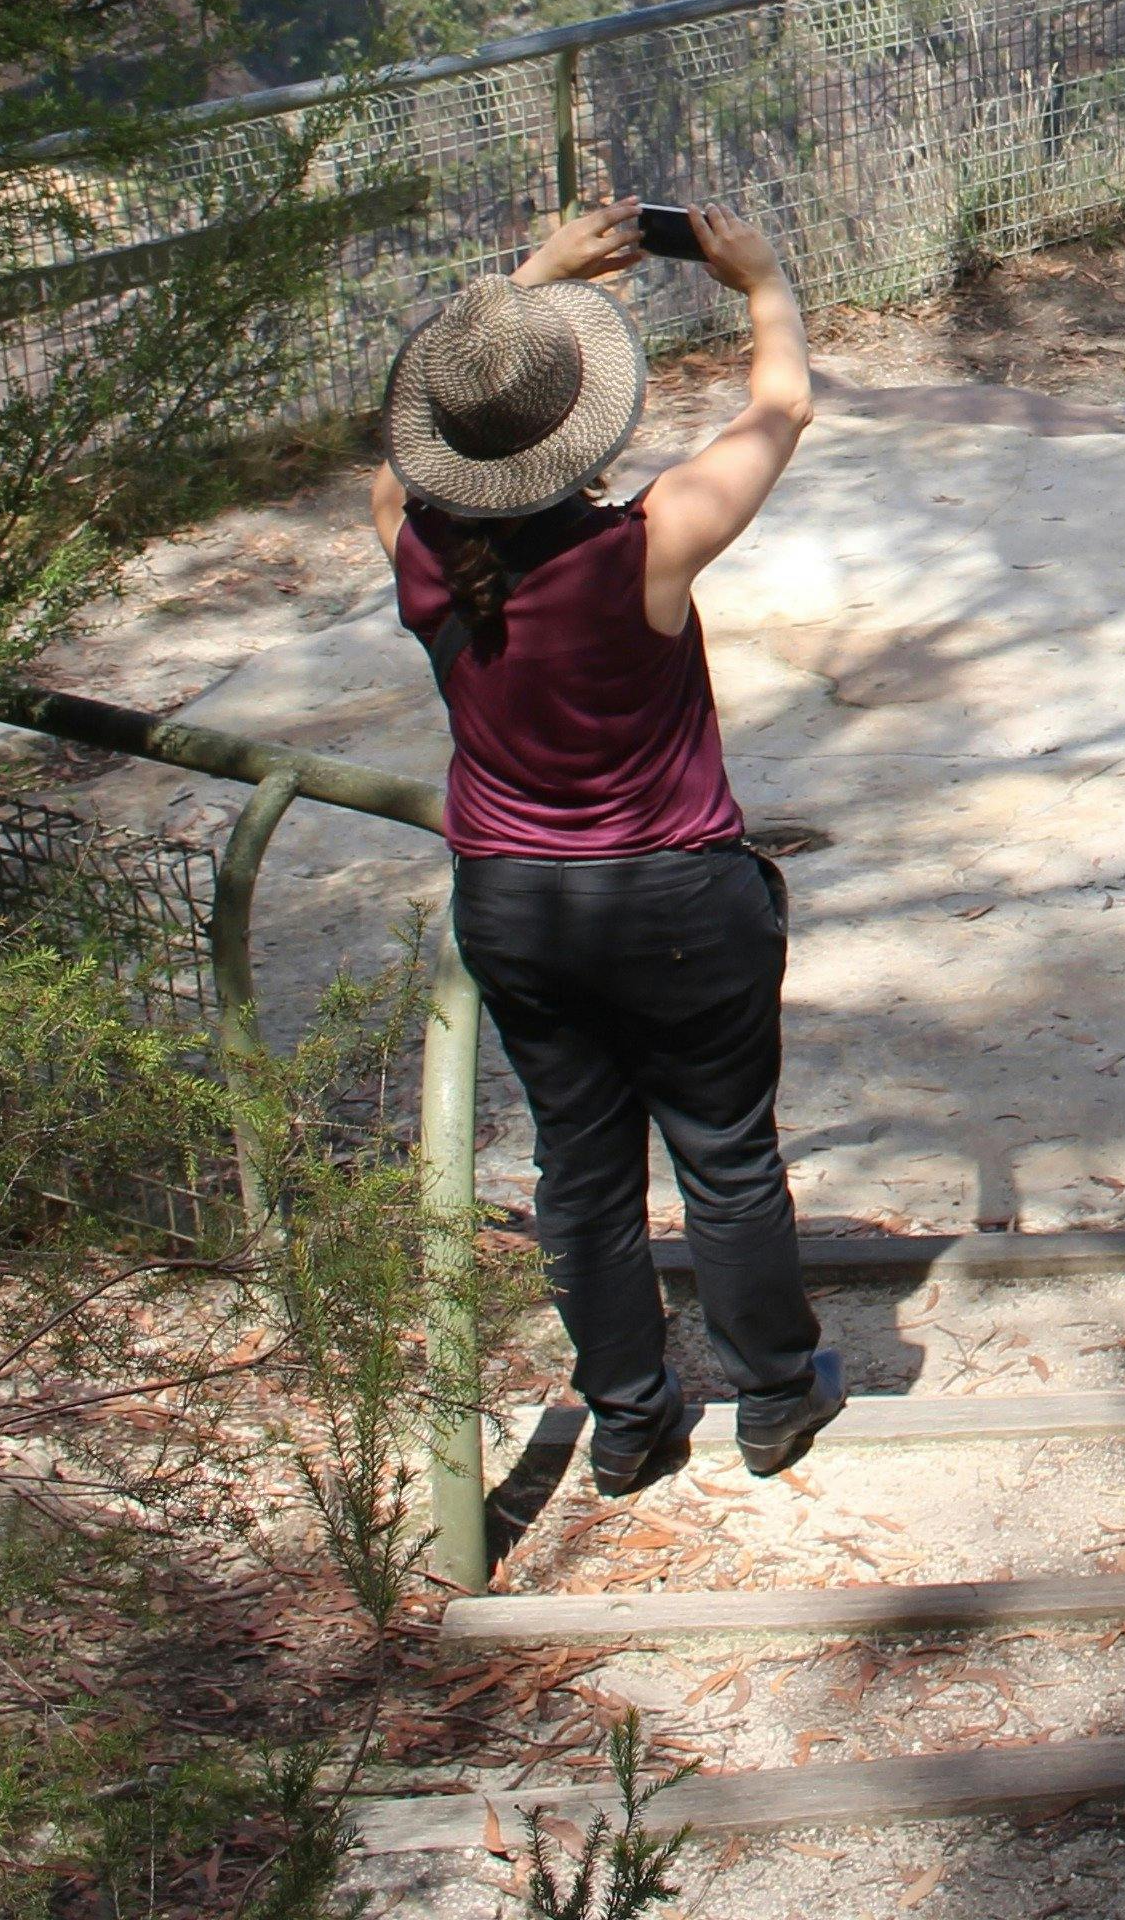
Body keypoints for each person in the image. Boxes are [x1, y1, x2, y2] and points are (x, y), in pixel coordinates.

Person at [376, 197, 839, 1499]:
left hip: (516, 909)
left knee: (578, 1167)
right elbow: (781, 410)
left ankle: (628, 1420)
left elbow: (398, 470)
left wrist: (518, 289)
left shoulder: (418, 552)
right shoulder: (644, 545)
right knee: (725, 1153)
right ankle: (771, 1396)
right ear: (580, 422)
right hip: (678, 902)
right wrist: (761, 281)